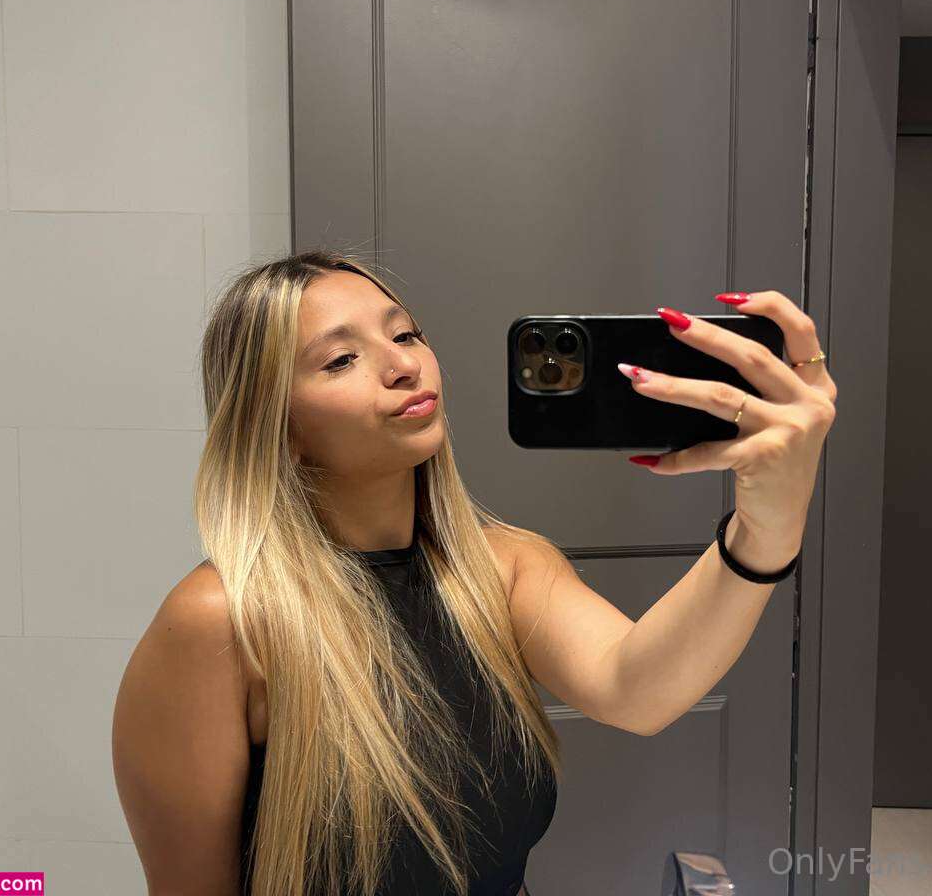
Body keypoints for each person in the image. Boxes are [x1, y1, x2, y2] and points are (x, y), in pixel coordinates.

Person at [111, 249, 837, 896]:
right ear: (277, 427)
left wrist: (768, 523)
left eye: (405, 334)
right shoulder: (222, 623)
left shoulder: (505, 568)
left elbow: (638, 691)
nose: (404, 365)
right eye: (340, 360)